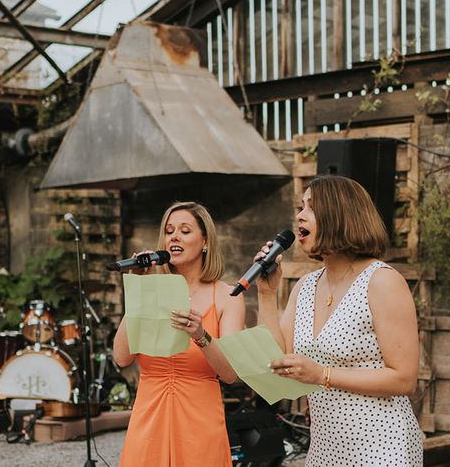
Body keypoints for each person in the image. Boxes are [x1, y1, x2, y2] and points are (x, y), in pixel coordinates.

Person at [256, 174, 423, 466]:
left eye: (310, 207)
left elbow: (404, 378)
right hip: (325, 447)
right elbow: (278, 359)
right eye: (300, 207)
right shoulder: (305, 286)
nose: (299, 216)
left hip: (381, 446)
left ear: (339, 215)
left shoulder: (382, 281)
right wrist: (266, 295)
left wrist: (323, 375)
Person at [113, 201, 245, 467]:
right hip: (149, 420)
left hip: (199, 422)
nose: (173, 236)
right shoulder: (151, 290)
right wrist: (140, 290)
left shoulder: (226, 296)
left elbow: (231, 374)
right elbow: (121, 357)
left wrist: (201, 335)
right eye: (169, 230)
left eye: (185, 231)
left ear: (205, 241)